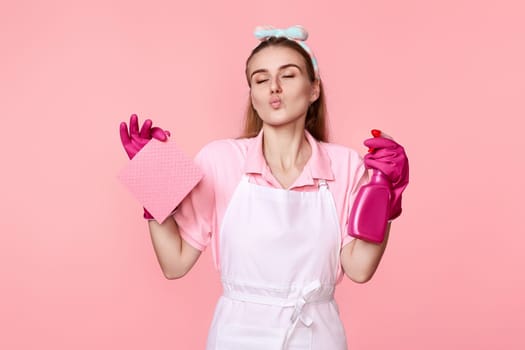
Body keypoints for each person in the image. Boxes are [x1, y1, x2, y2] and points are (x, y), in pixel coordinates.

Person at [119, 25, 409, 350]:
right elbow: (174, 263)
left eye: (288, 75)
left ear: (314, 89)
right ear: (253, 97)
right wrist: (153, 186)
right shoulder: (220, 160)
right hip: (236, 338)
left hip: (317, 338)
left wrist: (387, 195)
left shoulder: (346, 166)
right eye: (260, 79)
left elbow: (359, 268)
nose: (274, 87)